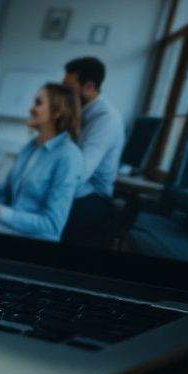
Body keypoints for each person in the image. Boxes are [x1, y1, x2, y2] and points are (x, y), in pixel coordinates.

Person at [0, 83, 84, 242]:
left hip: (36, 236)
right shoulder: (31, 146)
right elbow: (9, 191)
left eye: (38, 103)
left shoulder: (69, 157)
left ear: (57, 111)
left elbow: (52, 225)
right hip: (14, 224)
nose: (30, 109)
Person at [60, 56, 126, 243]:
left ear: (88, 87)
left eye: (68, 88)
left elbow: (80, 173)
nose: (62, 93)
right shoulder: (78, 110)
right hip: (77, 189)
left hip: (94, 196)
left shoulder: (106, 119)